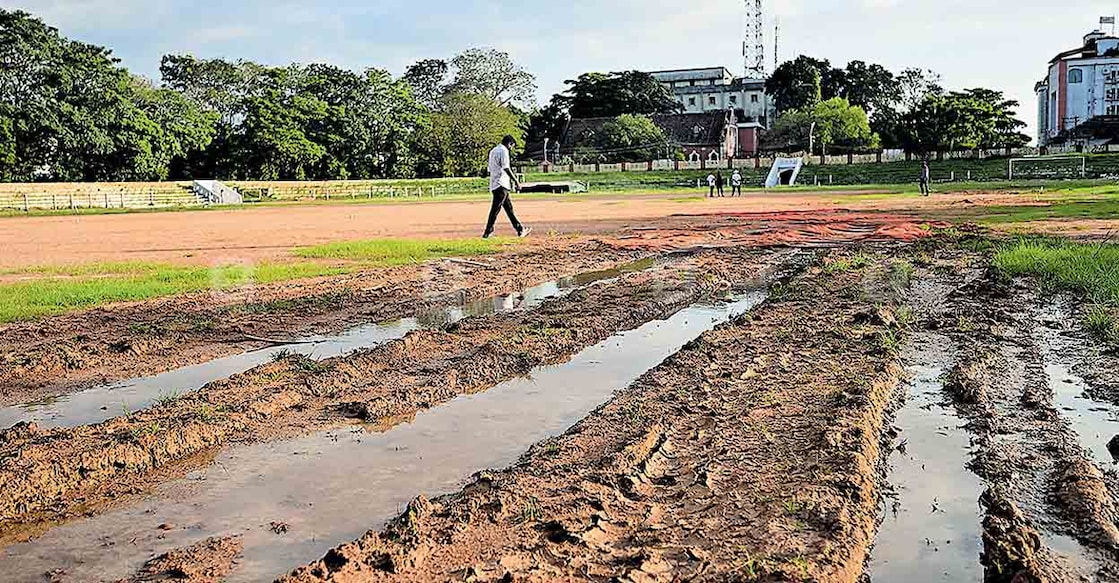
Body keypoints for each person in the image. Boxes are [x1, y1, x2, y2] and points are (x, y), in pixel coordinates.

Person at [483, 135, 531, 239]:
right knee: (495, 209)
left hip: (495, 183)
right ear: (509, 144)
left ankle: (520, 229)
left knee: (509, 209)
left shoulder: (493, 151)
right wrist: (516, 181)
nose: (511, 149)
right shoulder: (504, 151)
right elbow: (506, 168)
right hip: (501, 184)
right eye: (512, 146)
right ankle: (487, 233)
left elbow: (490, 168)